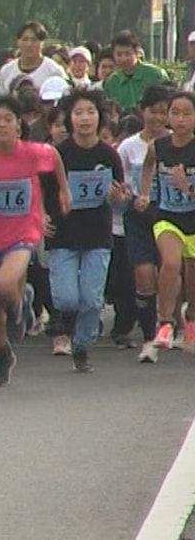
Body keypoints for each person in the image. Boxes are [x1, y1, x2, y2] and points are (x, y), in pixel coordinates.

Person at [0, 94, 70, 387]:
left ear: (19, 126)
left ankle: (21, 303)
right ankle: (2, 352)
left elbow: (56, 158)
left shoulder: (32, 152)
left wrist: (63, 191)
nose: (2, 125)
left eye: (8, 119)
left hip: (24, 230)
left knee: (5, 284)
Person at [46, 89, 125, 374]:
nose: (85, 118)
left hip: (97, 234)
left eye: (90, 112)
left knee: (92, 299)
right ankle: (64, 322)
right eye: (78, 113)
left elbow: (120, 197)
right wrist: (41, 216)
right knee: (67, 298)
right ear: (69, 119)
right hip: (63, 233)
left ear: (100, 118)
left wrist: (119, 199)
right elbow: (41, 192)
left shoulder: (109, 155)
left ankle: (81, 345)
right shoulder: (58, 154)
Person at [136, 90, 195, 357]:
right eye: (175, 113)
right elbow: (148, 166)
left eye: (187, 113)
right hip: (168, 217)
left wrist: (188, 188)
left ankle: (191, 322)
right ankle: (165, 323)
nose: (180, 119)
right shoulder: (159, 146)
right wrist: (146, 193)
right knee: (170, 262)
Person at [117, 85, 169, 361]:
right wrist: (128, 196)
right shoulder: (129, 147)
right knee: (144, 275)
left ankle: (170, 326)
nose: (158, 118)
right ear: (143, 111)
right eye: (153, 111)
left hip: (171, 214)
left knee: (171, 276)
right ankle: (149, 337)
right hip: (137, 217)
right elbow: (122, 180)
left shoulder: (178, 142)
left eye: (164, 113)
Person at [103, 29, 168, 113]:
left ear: (137, 53)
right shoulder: (112, 82)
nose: (123, 59)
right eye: (119, 54)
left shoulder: (156, 75)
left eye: (127, 54)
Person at [0, 22, 65, 95]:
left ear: (43, 43)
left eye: (34, 40)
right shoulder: (6, 71)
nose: (29, 44)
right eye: (25, 39)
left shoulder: (54, 71)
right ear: (18, 42)